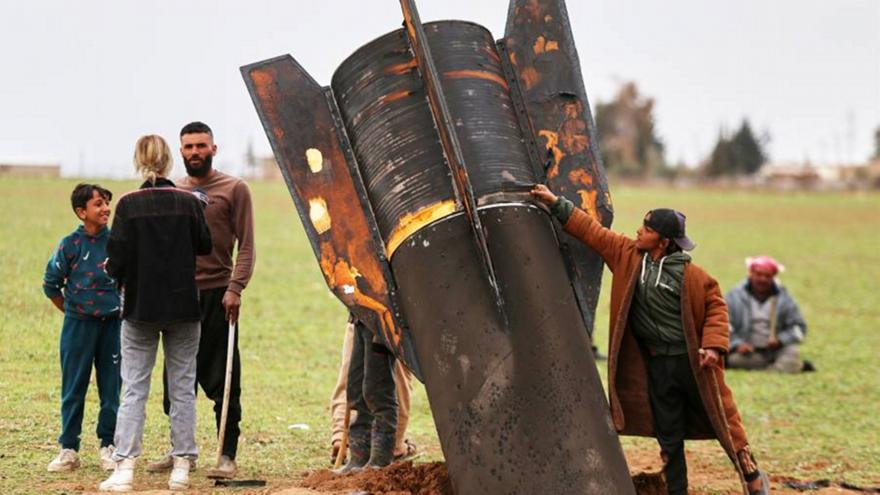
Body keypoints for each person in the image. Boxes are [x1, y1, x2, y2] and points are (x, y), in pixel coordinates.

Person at [531, 184, 769, 495]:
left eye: (647, 228)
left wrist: (712, 346)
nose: (639, 231)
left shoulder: (694, 277)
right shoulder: (628, 256)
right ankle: (676, 489)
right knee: (667, 430)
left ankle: (751, 474)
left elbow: (716, 308)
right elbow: (592, 232)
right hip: (657, 364)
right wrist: (555, 203)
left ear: (664, 241)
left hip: (693, 363)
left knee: (724, 420)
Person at [99, 134, 212, 492]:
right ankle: (181, 465)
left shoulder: (129, 205)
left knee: (134, 387)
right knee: (182, 388)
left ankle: (125, 467)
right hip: (183, 306)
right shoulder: (189, 202)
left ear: (139, 161)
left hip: (139, 308)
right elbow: (205, 245)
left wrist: (113, 269)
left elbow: (115, 260)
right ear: (169, 161)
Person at [147, 121, 255, 479]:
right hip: (178, 297)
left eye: (201, 146)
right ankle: (181, 452)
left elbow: (247, 245)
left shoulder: (234, 189)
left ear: (214, 148)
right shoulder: (173, 190)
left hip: (217, 295)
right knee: (176, 378)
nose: (195, 152)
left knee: (223, 377)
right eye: (188, 147)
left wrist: (235, 288)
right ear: (180, 152)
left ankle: (226, 454)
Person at [43, 183, 121, 473]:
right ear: (81, 212)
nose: (105, 209)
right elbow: (50, 283)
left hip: (113, 326)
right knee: (74, 387)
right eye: (98, 204)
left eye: (106, 203)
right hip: (78, 326)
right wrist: (73, 310)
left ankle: (109, 445)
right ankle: (68, 449)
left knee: (112, 388)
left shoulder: (117, 242)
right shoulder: (69, 245)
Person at [329, 319, 417, 465]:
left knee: (352, 375)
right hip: (391, 316)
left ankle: (343, 439)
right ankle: (392, 447)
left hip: (360, 307)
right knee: (392, 380)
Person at [336, 314, 399, 473]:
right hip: (362, 317)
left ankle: (380, 462)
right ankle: (359, 458)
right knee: (356, 390)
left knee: (377, 391)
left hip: (382, 319)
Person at [726, 256, 809, 373]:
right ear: (750, 274)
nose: (762, 279)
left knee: (791, 352)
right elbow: (724, 326)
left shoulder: (785, 299)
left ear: (774, 277)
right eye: (758, 274)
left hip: (777, 349)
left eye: (767, 276)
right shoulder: (734, 297)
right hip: (750, 352)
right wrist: (738, 344)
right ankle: (780, 367)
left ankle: (781, 365)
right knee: (735, 360)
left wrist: (781, 339)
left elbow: (799, 328)